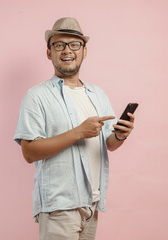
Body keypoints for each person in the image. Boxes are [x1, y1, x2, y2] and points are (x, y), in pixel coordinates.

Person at [14, 17, 135, 240]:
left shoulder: (97, 94)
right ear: (49, 53)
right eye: (59, 45)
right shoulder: (37, 96)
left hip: (92, 204)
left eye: (74, 44)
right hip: (59, 206)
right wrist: (78, 132)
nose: (67, 50)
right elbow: (29, 152)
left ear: (84, 51)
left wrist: (119, 135)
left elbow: (108, 144)